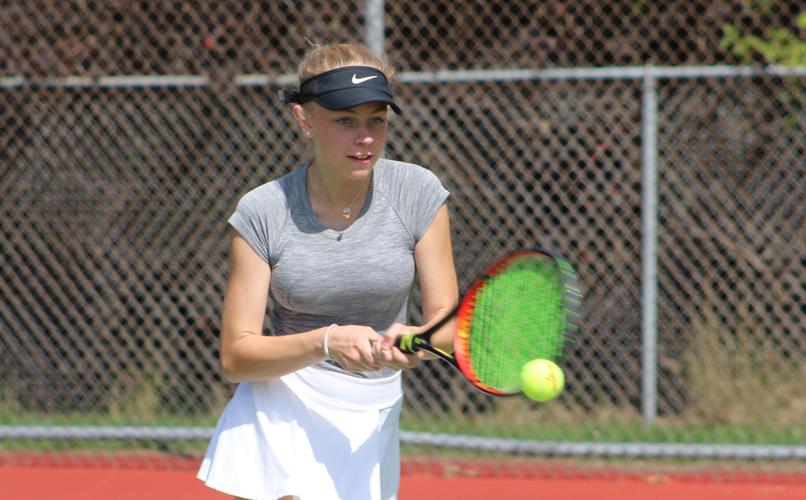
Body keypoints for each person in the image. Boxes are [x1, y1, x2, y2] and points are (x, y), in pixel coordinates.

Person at [197, 42, 458, 500]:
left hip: (375, 406)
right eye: (344, 120)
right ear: (304, 120)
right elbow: (236, 357)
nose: (364, 137)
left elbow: (448, 326)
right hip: (282, 401)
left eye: (376, 120)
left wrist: (415, 342)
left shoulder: (418, 192)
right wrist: (326, 343)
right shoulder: (262, 210)